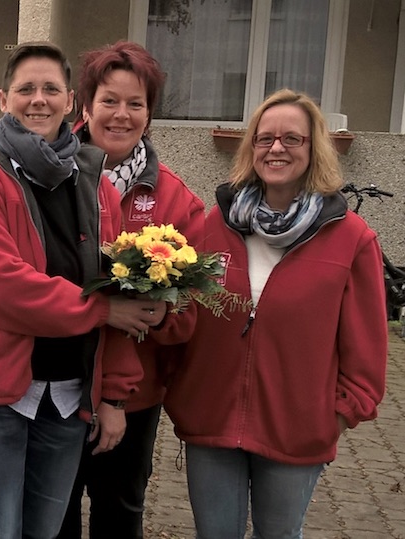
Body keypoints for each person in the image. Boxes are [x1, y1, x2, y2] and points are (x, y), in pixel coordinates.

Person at [0, 41, 164, 539]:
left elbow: (122, 287)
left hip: (64, 400)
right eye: (25, 89)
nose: (38, 100)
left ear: (71, 102)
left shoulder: (97, 184)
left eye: (50, 89)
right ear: (3, 99)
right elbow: (2, 291)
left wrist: (116, 397)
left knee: (45, 534)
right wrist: (103, 309)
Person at [163, 88, 388, 538]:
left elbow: (367, 344)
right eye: (265, 139)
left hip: (296, 430)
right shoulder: (217, 223)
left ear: (313, 148)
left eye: (292, 139)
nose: (277, 148)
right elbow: (186, 315)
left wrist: (339, 414)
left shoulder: (351, 237)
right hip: (211, 420)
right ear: (252, 149)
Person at [58, 41, 205, 539]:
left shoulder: (176, 200)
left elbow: (191, 313)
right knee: (51, 517)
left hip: (136, 399)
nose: (121, 115)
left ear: (150, 113)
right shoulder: (47, 179)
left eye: (135, 103)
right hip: (55, 388)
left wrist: (156, 313)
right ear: (85, 105)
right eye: (109, 100)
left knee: (119, 515)